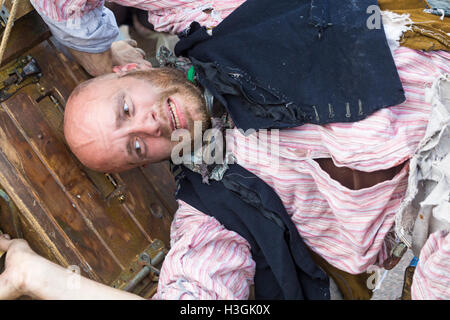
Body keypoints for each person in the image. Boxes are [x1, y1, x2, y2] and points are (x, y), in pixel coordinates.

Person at [0, 0, 449, 300]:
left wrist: (97, 52)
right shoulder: (211, 209)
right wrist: (31, 273)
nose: (149, 125)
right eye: (135, 146)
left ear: (134, 67)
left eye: (125, 107)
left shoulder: (214, 17)